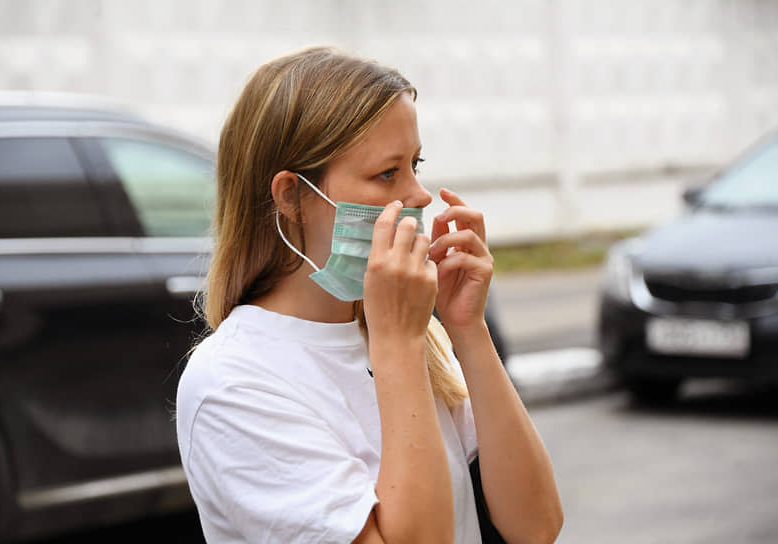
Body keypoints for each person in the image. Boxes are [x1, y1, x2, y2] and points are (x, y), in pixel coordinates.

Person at [176, 46, 563, 544]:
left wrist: (467, 330)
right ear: (292, 197)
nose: (420, 195)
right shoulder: (233, 382)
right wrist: (396, 343)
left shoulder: (408, 331)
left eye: (415, 164)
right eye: (388, 173)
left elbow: (536, 526)